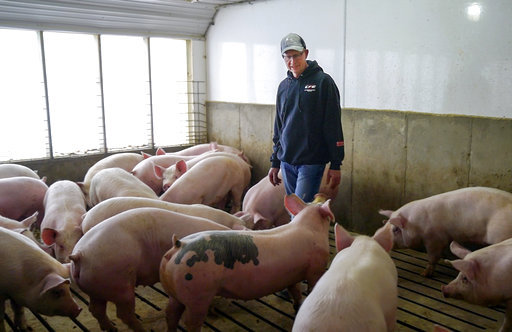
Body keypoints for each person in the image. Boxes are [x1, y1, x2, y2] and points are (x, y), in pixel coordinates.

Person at [268, 33, 344, 203]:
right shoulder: (283, 86)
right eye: (287, 57)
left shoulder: (323, 82)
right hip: (287, 161)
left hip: (311, 162)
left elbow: (333, 125)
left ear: (306, 53)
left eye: (296, 55)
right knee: (294, 210)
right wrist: (275, 162)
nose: (292, 61)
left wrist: (336, 163)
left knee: (300, 213)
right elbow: (279, 126)